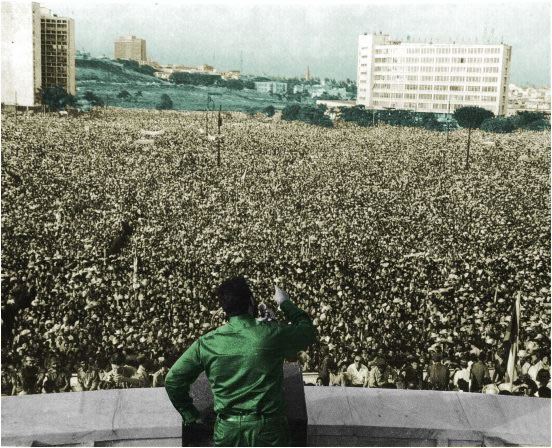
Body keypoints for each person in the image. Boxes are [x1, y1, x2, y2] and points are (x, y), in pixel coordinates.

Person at [165, 277, 315, 447]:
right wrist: (285, 303)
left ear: (225, 308)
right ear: (251, 301)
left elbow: (172, 380)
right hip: (268, 431)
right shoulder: (272, 333)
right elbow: (308, 331)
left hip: (227, 431)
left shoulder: (207, 342)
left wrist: (190, 414)